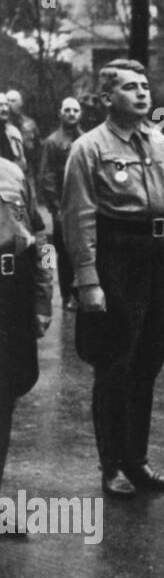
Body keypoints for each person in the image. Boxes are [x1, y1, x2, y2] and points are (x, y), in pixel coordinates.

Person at [61, 59, 164, 499]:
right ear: (105, 99)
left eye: (145, 86)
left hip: (159, 259)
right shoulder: (90, 148)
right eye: (129, 88)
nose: (142, 93)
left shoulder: (162, 143)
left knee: (150, 360)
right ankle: (112, 464)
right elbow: (78, 220)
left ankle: (138, 461)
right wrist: (89, 282)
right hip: (117, 258)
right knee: (115, 364)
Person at [0, 153, 52, 537]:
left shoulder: (13, 170)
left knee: (5, 398)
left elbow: (40, 237)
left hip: (12, 291)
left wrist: (41, 298)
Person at [37, 97, 83, 309]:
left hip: (84, 204)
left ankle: (81, 290)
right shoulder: (53, 142)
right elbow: (46, 177)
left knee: (84, 248)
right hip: (63, 206)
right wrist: (55, 208)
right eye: (68, 110)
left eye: (75, 110)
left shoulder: (86, 139)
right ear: (60, 113)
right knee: (64, 252)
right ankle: (67, 295)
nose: (72, 113)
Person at [4, 90, 39, 167]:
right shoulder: (3, 126)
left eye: (13, 101)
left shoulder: (30, 124)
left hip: (28, 169)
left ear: (20, 103)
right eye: (7, 101)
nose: (9, 104)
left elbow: (37, 150)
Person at [0, 93, 27, 169]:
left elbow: (22, 162)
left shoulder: (14, 133)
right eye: (0, 105)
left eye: (6, 105)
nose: (5, 109)